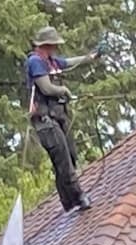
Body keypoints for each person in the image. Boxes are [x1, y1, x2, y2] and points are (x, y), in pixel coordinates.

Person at [23, 26, 86, 211]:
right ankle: (78, 197)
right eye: (53, 45)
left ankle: (68, 201)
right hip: (45, 121)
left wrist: (91, 57)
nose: (55, 49)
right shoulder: (35, 61)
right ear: (46, 45)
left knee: (71, 156)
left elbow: (70, 62)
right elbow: (46, 88)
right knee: (63, 159)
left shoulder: (51, 61)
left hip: (58, 116)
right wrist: (64, 90)